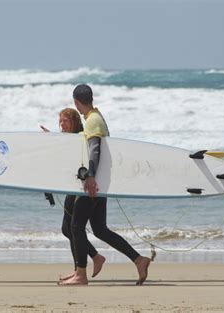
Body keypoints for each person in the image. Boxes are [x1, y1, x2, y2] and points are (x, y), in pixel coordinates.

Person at [59, 84, 151, 286]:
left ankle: (81, 275)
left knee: (75, 226)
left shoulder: (93, 121)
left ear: (76, 102)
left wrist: (90, 177)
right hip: (100, 182)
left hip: (93, 184)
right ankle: (139, 260)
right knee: (99, 229)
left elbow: (95, 150)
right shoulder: (97, 117)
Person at [40, 108, 106, 281]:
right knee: (68, 228)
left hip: (81, 187)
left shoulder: (80, 137)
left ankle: (84, 267)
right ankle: (85, 264)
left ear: (75, 121)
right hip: (73, 186)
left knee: (73, 228)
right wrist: (53, 138)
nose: (62, 124)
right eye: (60, 121)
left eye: (66, 121)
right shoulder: (69, 138)